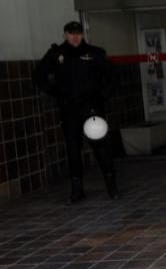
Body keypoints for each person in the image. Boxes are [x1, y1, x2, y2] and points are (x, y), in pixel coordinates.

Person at [33, 20, 119, 203]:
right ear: (65, 34)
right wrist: (55, 92)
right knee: (73, 149)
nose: (75, 37)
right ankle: (76, 190)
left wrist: (102, 97)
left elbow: (112, 77)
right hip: (69, 108)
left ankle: (112, 186)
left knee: (101, 148)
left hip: (92, 109)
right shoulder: (57, 54)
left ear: (83, 34)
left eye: (78, 33)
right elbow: (38, 75)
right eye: (71, 33)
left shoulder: (95, 53)